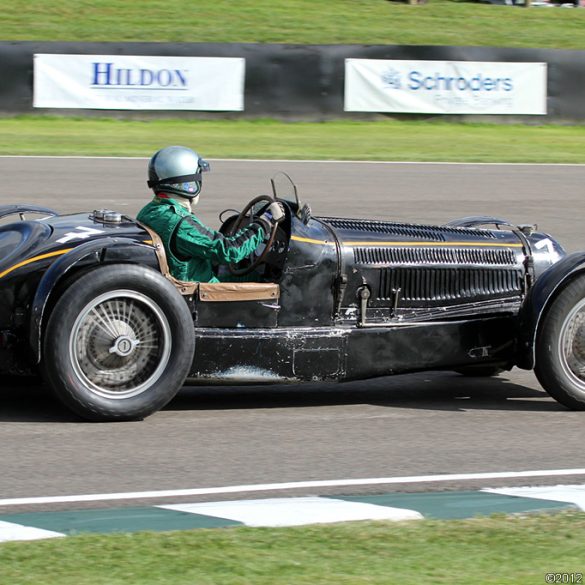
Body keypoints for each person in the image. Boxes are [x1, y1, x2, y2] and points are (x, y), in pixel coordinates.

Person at [137, 145, 284, 283]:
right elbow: (230, 250)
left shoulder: (150, 211)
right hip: (199, 290)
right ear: (187, 183)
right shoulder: (180, 223)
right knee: (263, 280)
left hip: (187, 277)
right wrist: (266, 221)